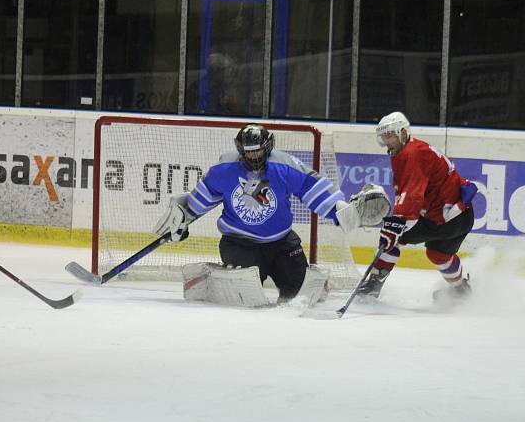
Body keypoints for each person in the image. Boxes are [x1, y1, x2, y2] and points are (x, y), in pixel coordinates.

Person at [153, 123, 389, 303]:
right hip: (239, 243)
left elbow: (312, 189)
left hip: (282, 242)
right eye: (249, 152)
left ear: (267, 148)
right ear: (240, 150)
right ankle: (211, 280)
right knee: (243, 297)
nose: (253, 157)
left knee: (299, 296)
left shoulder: (284, 166)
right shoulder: (224, 169)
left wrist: (340, 210)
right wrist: (184, 218)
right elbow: (200, 200)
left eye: (258, 152)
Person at [359, 111, 477, 301]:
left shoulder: (412, 154)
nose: (387, 141)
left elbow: (412, 196)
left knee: (392, 237)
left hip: (444, 220)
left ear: (403, 133)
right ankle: (461, 289)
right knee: (438, 254)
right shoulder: (411, 149)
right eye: (384, 137)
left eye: (390, 135)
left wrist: (397, 224)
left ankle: (372, 287)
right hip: (461, 216)